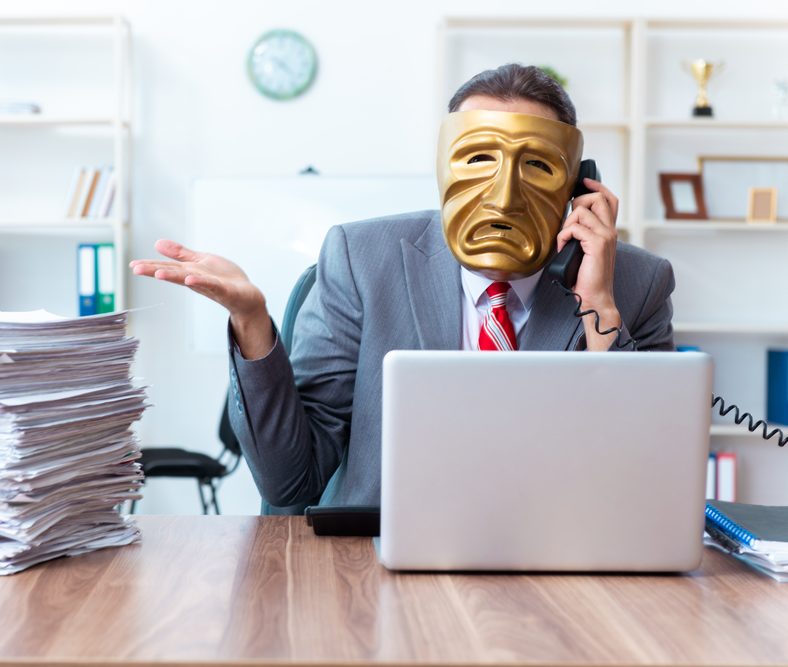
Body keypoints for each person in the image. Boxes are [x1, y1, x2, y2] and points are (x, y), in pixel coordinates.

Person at [131, 64, 676, 512]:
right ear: (443, 166)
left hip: (563, 559)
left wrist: (598, 304)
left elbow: (650, 472)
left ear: (578, 185)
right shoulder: (361, 260)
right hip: (374, 560)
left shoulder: (638, 282)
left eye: (536, 165)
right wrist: (251, 323)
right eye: (479, 158)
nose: (505, 197)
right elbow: (291, 485)